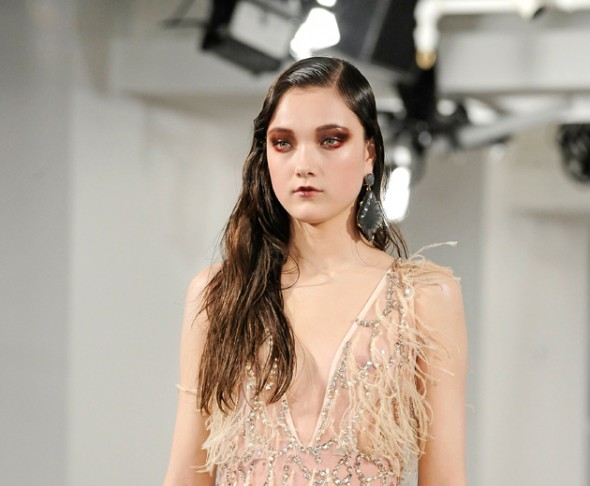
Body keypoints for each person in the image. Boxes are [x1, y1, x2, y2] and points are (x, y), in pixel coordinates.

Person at [163, 56, 467, 486]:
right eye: (283, 143)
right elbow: (187, 474)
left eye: (330, 140)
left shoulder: (424, 297)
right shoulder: (218, 293)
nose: (303, 164)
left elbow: (446, 478)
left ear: (368, 153)